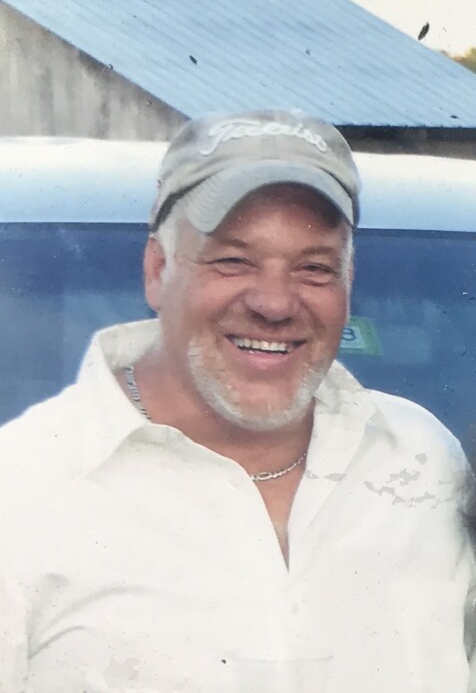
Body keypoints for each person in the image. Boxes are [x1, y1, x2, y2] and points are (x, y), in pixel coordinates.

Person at [0, 109, 475, 693]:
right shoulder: (20, 492)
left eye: (314, 268)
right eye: (232, 260)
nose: (274, 303)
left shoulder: (425, 462)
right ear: (157, 269)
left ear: (348, 282)